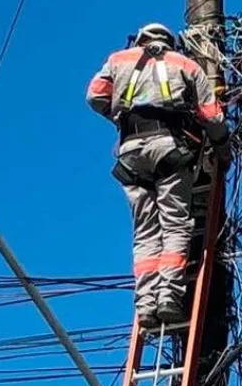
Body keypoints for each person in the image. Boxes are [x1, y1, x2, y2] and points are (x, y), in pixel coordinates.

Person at [86, 22, 231, 330]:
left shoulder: (118, 60)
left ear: (140, 40)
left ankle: (146, 304)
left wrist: (118, 115)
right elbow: (212, 116)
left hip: (130, 154)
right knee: (175, 225)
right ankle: (169, 296)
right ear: (170, 42)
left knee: (145, 232)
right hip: (168, 149)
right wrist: (222, 147)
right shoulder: (185, 64)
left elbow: (94, 96)